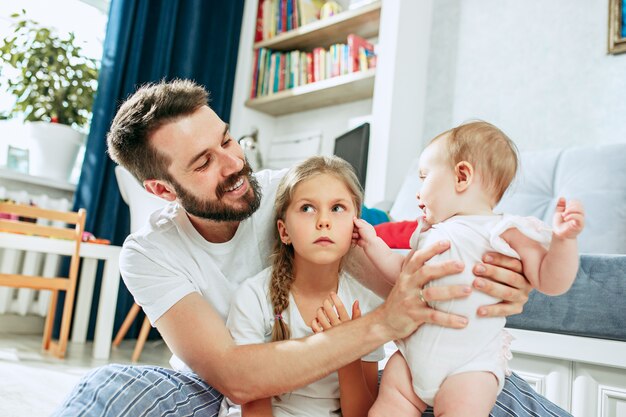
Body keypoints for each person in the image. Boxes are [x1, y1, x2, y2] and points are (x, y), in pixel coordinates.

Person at [52, 80, 570, 417]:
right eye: (203, 163)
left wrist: (493, 278)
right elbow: (233, 377)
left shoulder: (293, 193)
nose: (233, 164)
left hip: (347, 381)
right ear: (162, 190)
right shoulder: (148, 253)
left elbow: (400, 263)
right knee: (108, 395)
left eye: (228, 140)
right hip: (217, 394)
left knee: (473, 393)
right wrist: (382, 323)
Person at [355, 121, 584, 416]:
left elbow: (551, 281)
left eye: (424, 177)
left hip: (469, 367)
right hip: (412, 358)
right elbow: (402, 272)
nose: (418, 191)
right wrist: (372, 243)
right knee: (389, 405)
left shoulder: (503, 230)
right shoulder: (427, 232)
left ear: (462, 176)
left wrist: (564, 241)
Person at [221, 155, 383, 417]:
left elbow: (362, 413)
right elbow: (254, 406)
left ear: (356, 227)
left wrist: (346, 349)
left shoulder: (365, 303)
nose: (323, 221)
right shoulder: (254, 298)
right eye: (307, 208)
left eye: (337, 208)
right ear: (284, 231)